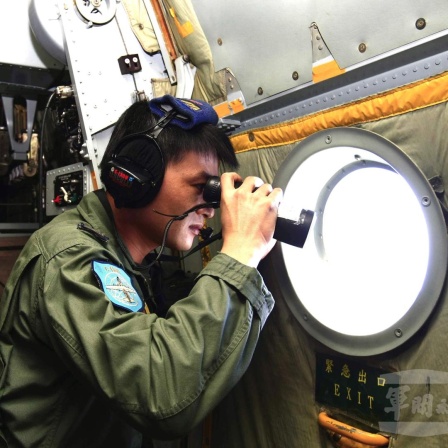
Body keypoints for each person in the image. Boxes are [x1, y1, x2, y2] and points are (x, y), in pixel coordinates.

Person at [0, 95, 282, 447]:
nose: (211, 210)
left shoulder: (131, 258)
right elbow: (160, 392)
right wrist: (239, 256)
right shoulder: (69, 258)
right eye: (202, 188)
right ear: (134, 177)